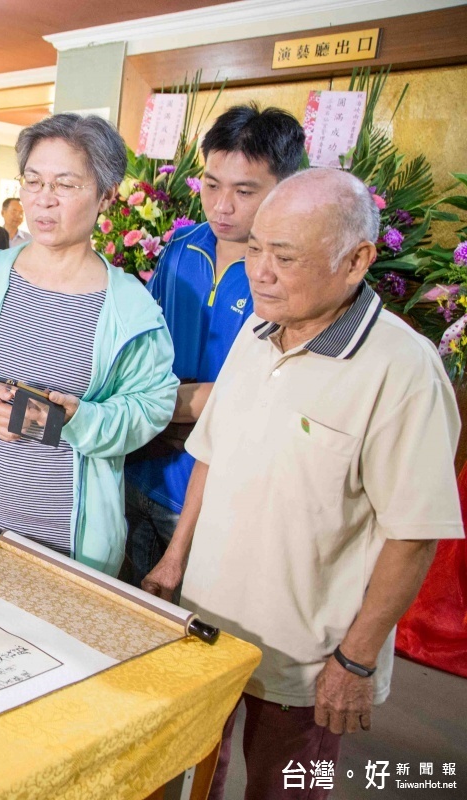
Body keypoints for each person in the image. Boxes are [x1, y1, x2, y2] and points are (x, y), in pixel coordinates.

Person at [142, 169, 463, 800]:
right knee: (192, 775)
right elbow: (212, 452)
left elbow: (413, 533)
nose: (259, 270)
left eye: (283, 257)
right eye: (256, 248)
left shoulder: (403, 370)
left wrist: (356, 660)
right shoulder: (258, 330)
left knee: (284, 786)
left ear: (356, 261)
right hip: (206, 625)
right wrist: (173, 561)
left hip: (305, 657)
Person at [0, 114, 177, 575]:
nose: (44, 200)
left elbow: (151, 407)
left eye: (65, 184)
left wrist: (83, 420)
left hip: (68, 548)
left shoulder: (130, 308)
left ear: (107, 194)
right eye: (32, 181)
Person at [122, 104, 305, 587]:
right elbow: (144, 358)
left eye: (244, 191)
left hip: (219, 495)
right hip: (144, 470)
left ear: (285, 188)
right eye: (211, 184)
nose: (221, 206)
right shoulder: (182, 250)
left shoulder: (288, 276)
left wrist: (171, 406)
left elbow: (271, 397)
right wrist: (178, 405)